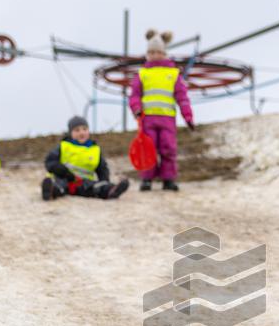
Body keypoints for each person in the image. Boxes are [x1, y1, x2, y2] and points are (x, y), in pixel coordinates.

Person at [128, 29, 195, 192]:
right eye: (150, 52)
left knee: (168, 148)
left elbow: (182, 97)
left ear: (164, 53)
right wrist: (136, 108)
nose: (154, 55)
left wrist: (188, 117)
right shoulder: (143, 74)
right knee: (148, 148)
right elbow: (134, 95)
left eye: (157, 52)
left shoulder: (173, 74)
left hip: (167, 119)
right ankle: (147, 179)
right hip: (147, 119)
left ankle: (168, 179)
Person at [41, 116, 129, 201]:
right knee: (59, 185)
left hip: (83, 182)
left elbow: (102, 169)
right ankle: (51, 190)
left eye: (84, 129)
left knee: (96, 187)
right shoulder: (64, 146)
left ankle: (111, 190)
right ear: (70, 133)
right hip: (64, 178)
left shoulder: (95, 149)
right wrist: (66, 173)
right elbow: (50, 163)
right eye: (77, 130)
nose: (81, 133)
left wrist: (105, 182)